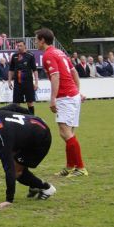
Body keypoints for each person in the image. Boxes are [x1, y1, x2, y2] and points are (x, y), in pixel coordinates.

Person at [0, 104, 57, 209]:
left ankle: (47, 188)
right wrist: (31, 117)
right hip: (37, 123)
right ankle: (34, 185)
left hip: (41, 139)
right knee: (17, 160)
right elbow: (14, 106)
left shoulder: (2, 143)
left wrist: (9, 200)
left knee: (17, 171)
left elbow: (10, 171)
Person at [36, 28, 87, 177]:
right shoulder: (60, 52)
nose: (35, 42)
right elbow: (74, 72)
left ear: (42, 40)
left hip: (65, 97)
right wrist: (77, 91)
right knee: (68, 133)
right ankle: (70, 166)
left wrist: (53, 98)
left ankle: (80, 168)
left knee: (65, 133)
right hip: (72, 96)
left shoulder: (48, 55)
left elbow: (55, 76)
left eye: (36, 39)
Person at [8, 40, 39, 114]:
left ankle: (32, 118)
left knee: (30, 102)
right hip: (17, 83)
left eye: (20, 46)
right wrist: (9, 81)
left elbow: (35, 70)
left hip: (28, 83)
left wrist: (36, 83)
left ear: (25, 46)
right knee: (16, 103)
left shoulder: (30, 55)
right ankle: (18, 119)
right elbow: (11, 70)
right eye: (18, 46)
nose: (19, 47)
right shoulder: (14, 56)